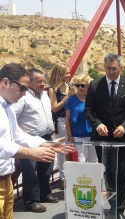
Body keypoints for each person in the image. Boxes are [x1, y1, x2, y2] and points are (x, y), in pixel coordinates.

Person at [0, 63, 70, 219]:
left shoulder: (8, 108)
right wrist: (30, 152)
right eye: (23, 88)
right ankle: (32, 200)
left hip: (6, 181)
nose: (24, 94)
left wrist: (46, 144)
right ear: (6, 82)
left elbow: (18, 135)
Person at [84, 53, 125, 219]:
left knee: (122, 174)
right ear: (104, 67)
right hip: (102, 138)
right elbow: (88, 111)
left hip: (123, 138)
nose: (111, 72)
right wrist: (97, 124)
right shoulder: (95, 85)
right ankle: (112, 205)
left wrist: (124, 126)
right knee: (108, 174)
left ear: (120, 68)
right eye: (108, 68)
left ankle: (119, 210)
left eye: (114, 68)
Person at [12, 69, 60, 213]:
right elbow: (12, 117)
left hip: (46, 138)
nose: (43, 83)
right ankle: (32, 201)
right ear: (30, 82)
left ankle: (45, 194)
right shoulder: (24, 97)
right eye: (39, 81)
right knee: (30, 172)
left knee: (47, 169)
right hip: (29, 140)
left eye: (43, 80)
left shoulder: (45, 94)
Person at [48, 63, 77, 186]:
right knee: (62, 150)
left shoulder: (70, 85)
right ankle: (63, 178)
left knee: (74, 148)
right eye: (66, 73)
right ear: (59, 74)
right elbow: (54, 108)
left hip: (73, 121)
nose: (69, 75)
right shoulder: (53, 89)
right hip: (61, 121)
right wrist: (67, 97)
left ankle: (74, 176)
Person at [64, 73, 97, 163]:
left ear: (88, 86)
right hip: (77, 137)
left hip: (92, 136)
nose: (80, 88)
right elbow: (67, 120)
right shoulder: (71, 100)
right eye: (77, 85)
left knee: (93, 163)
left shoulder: (93, 99)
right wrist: (69, 136)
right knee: (80, 162)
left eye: (83, 85)